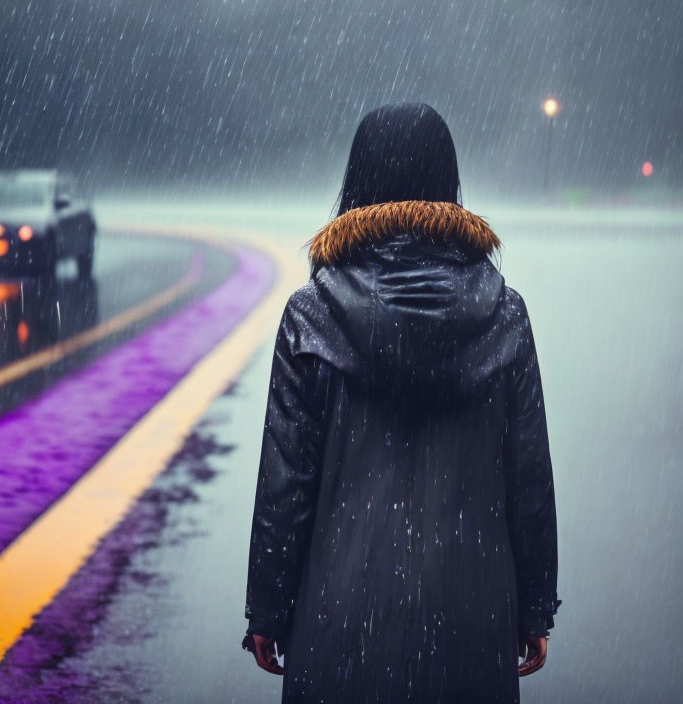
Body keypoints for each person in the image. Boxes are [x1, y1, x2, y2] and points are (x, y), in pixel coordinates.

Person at [242, 102, 560, 703]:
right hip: (473, 614)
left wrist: (268, 608)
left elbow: (287, 480)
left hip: (340, 617)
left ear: (356, 182)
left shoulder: (311, 315)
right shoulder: (505, 314)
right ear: (449, 184)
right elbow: (528, 478)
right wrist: (535, 606)